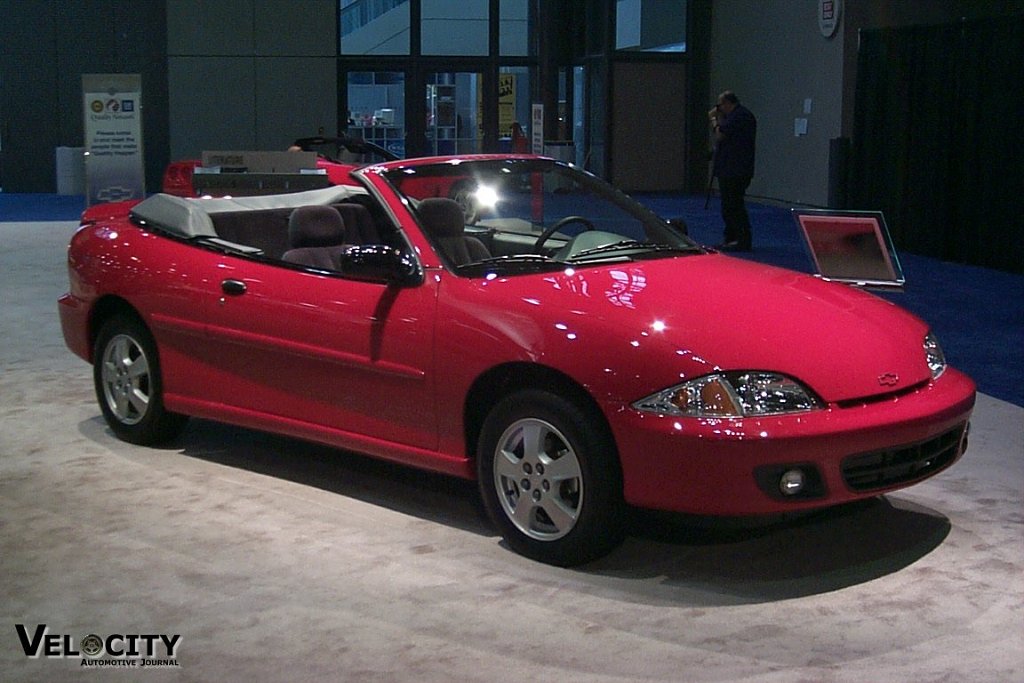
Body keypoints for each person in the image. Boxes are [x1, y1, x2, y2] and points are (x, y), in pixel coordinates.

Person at [709, 91, 757, 251]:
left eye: (720, 105)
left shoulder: (739, 116)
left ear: (728, 103)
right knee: (730, 204)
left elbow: (721, 134)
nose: (719, 108)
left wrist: (714, 120)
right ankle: (732, 237)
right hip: (733, 167)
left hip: (735, 169)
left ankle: (740, 239)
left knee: (733, 205)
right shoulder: (738, 116)